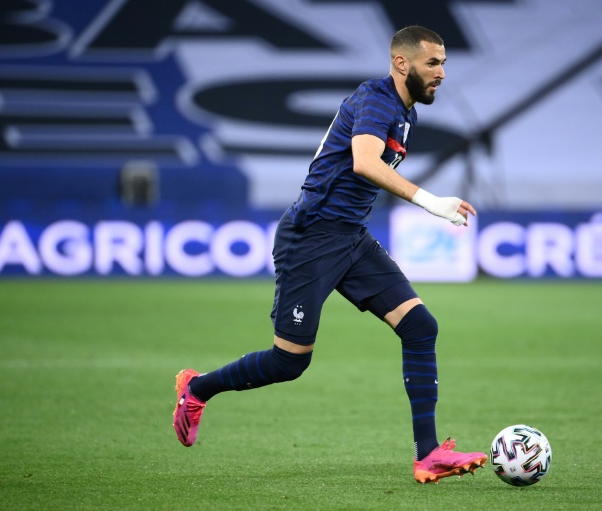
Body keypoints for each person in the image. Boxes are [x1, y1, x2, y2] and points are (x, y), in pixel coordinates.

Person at [173, 25, 487, 484]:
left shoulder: (405, 111)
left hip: (350, 237)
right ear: (402, 63)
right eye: (433, 63)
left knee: (420, 327)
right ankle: (197, 389)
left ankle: (429, 454)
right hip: (312, 237)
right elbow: (364, 161)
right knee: (289, 362)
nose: (441, 72)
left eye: (443, 63)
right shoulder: (378, 100)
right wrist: (431, 202)